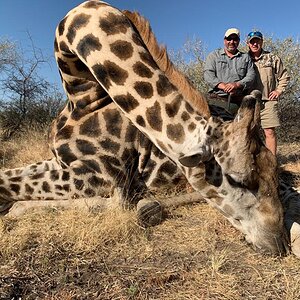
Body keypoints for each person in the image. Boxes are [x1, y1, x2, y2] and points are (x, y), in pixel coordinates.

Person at [247, 31, 290, 156]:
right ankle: (252, 163)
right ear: (248, 43)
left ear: (262, 41)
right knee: (248, 133)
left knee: (270, 132)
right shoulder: (244, 59)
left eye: (257, 41)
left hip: (268, 101)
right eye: (252, 41)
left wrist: (278, 91)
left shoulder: (272, 58)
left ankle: (271, 164)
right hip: (250, 103)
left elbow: (284, 76)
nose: (255, 44)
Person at [204, 28, 256, 114]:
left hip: (238, 101)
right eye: (229, 39)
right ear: (224, 40)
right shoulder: (213, 55)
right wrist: (223, 86)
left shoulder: (245, 57)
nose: (232, 42)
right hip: (217, 98)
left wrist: (236, 85)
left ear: (238, 41)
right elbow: (208, 75)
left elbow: (251, 75)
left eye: (235, 39)